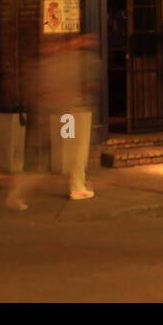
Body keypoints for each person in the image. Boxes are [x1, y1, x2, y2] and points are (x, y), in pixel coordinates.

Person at [7, 32, 103, 210]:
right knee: (73, 150)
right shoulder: (70, 61)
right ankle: (75, 186)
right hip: (70, 112)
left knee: (57, 151)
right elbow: (80, 87)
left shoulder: (46, 63)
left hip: (52, 114)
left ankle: (72, 182)